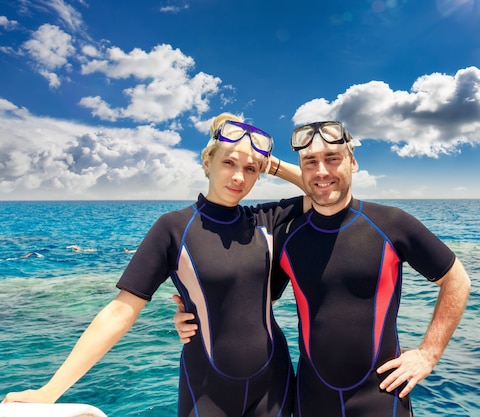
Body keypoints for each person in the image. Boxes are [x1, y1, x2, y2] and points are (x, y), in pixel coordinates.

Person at [2, 112, 311, 417]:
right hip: (207, 389)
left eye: (250, 169)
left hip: (274, 386)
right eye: (228, 162)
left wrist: (273, 164)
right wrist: (50, 391)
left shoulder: (266, 221)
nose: (238, 177)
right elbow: (121, 310)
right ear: (207, 163)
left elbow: (324, 191)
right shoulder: (174, 228)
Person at [174, 120, 471, 417]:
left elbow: (456, 280)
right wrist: (195, 313)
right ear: (302, 169)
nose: (322, 171)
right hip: (309, 400)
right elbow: (250, 298)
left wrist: (428, 354)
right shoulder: (289, 237)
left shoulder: (391, 225)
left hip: (380, 398)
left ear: (352, 162)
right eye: (310, 162)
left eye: (332, 158)